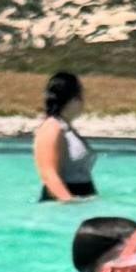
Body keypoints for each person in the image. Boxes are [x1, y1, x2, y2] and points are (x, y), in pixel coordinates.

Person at [33, 72, 97, 202]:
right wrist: (69, 201)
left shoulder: (67, 128)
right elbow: (48, 173)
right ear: (72, 99)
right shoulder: (52, 127)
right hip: (63, 202)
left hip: (80, 199)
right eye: (80, 96)